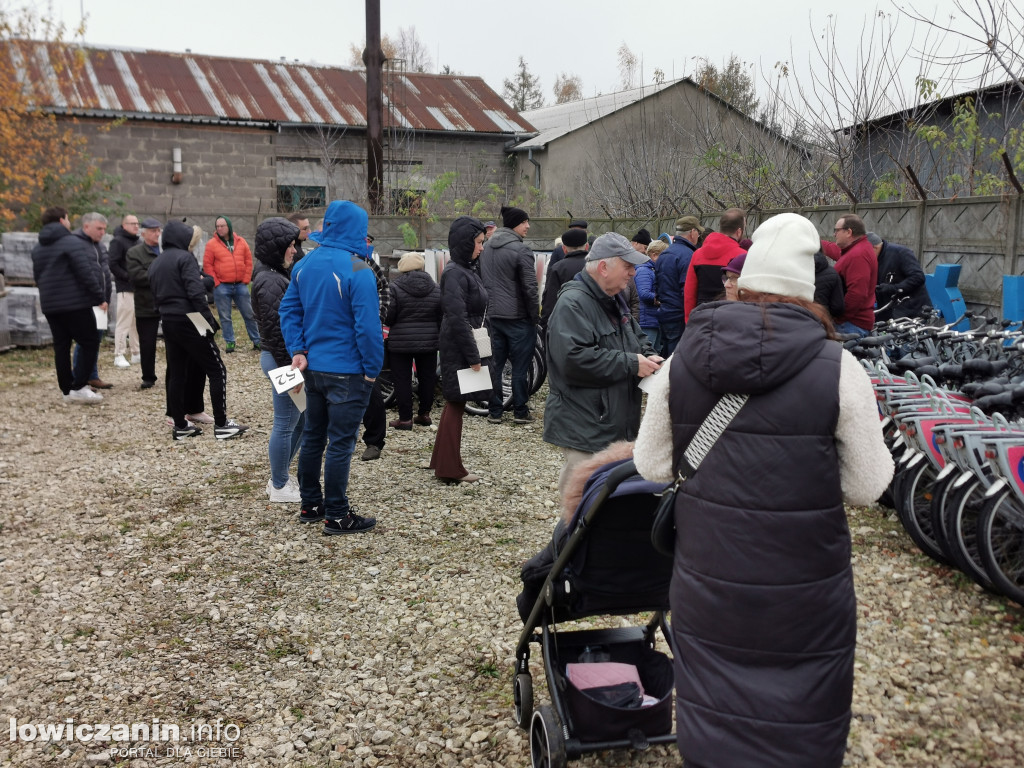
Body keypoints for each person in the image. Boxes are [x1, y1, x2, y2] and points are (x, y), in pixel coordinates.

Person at [633, 212, 893, 768]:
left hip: (711, 581)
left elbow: (652, 465)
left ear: (744, 281)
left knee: (713, 712)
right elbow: (870, 485)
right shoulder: (840, 369)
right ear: (809, 288)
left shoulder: (682, 361)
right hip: (805, 591)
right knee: (805, 719)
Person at [279, 200, 382, 535]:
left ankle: (311, 504)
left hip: (313, 369)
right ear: (357, 229)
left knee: (313, 436)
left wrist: (298, 349)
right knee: (341, 442)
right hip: (349, 370)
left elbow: (289, 311)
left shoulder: (304, 265)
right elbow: (367, 328)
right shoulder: (358, 269)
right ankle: (337, 515)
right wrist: (372, 369)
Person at [544, 232, 662, 497]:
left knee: (605, 502)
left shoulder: (612, 298)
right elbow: (572, 360)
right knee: (581, 499)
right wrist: (632, 364)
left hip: (609, 420)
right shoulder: (573, 303)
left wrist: (649, 356)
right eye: (628, 265)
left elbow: (635, 336)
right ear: (603, 267)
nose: (633, 272)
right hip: (586, 423)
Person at [149, 219, 248, 441]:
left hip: (168, 320)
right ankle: (222, 425)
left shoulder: (157, 261)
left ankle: (180, 425)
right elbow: (195, 294)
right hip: (191, 318)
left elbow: (155, 294)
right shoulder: (185, 258)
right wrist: (209, 323)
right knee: (217, 369)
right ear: (182, 239)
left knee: (176, 373)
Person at [430, 216, 491, 484]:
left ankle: (442, 461)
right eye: (478, 243)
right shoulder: (455, 272)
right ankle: (449, 468)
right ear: (465, 243)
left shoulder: (465, 269)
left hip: (463, 342)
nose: (481, 248)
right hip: (459, 344)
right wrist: (473, 356)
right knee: (456, 403)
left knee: (456, 403)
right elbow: (457, 317)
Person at [252, 217, 305, 502]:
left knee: (301, 419)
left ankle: (280, 476)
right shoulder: (270, 280)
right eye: (290, 245)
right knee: (285, 422)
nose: (295, 250)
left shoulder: (272, 274)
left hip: (281, 359)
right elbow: (277, 329)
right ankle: (280, 485)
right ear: (276, 247)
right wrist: (292, 369)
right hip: (282, 359)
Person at [31, 206, 105, 404]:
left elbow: (38, 276)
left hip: (50, 305)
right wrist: (99, 297)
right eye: (67, 218)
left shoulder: (38, 247)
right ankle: (79, 386)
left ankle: (66, 390)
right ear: (63, 220)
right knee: (89, 341)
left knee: (61, 346)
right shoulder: (71, 242)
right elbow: (85, 273)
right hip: (75, 303)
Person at [479, 205, 539, 424]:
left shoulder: (485, 247)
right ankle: (520, 411)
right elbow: (530, 288)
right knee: (520, 367)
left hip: (493, 317)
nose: (528, 226)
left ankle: (495, 411)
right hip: (518, 319)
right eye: (525, 222)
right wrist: (534, 316)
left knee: (495, 365)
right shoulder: (521, 250)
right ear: (516, 224)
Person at [385, 251, 441, 430]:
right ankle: (424, 414)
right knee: (427, 378)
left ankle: (405, 419)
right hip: (429, 341)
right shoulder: (435, 287)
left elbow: (389, 316)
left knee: (402, 379)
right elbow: (440, 314)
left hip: (400, 343)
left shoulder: (394, 288)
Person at [203, 215, 260, 353]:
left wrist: (246, 279)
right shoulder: (212, 244)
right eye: (217, 226)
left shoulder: (241, 242)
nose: (219, 229)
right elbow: (207, 265)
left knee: (249, 314)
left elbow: (248, 261)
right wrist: (216, 283)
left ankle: (257, 341)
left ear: (228, 226)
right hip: (222, 286)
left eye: (222, 226)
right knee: (225, 316)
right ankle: (230, 342)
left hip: (240, 285)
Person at [71, 212, 113, 389]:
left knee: (96, 340)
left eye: (104, 229)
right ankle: (79, 377)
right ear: (86, 226)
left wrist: (106, 299)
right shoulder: (75, 244)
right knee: (84, 341)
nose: (102, 232)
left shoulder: (100, 246)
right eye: (99, 228)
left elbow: (104, 272)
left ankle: (92, 375)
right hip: (85, 302)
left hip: (102, 302)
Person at [357, 235, 390, 461]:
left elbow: (384, 289)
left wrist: (376, 318)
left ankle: (374, 441)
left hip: (364, 335)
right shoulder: (322, 259)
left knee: (371, 386)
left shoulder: (367, 263)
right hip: (334, 339)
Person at [683, 208, 747, 322]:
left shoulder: (697, 254)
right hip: (731, 318)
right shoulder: (743, 256)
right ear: (738, 231)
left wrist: (689, 322)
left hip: (701, 318)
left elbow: (689, 293)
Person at [820, 213, 877, 337]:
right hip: (851, 323)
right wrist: (814, 241)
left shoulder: (858, 255)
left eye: (837, 230)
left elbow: (857, 293)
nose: (835, 234)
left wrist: (839, 318)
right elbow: (835, 251)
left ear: (848, 232)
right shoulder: (856, 250)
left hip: (850, 325)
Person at [656, 215, 702, 356]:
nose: (699, 236)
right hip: (679, 316)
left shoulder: (664, 254)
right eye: (698, 233)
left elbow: (657, 285)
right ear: (692, 232)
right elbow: (687, 291)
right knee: (677, 359)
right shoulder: (688, 255)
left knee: (666, 354)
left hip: (664, 313)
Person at [126, 218, 163, 390]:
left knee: (174, 341)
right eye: (153, 230)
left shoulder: (165, 250)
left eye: (158, 230)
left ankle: (175, 373)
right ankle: (148, 376)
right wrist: (162, 273)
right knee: (147, 343)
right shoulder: (135, 252)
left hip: (166, 302)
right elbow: (137, 277)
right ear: (144, 233)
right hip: (146, 304)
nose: (157, 234)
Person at [866, 232, 928, 320]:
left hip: (910, 309)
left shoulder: (900, 253)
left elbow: (918, 277)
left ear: (874, 248)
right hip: (886, 309)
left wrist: (893, 288)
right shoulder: (875, 259)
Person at [108, 213, 141, 368]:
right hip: (125, 288)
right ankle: (119, 354)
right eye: (132, 223)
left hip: (138, 288)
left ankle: (136, 352)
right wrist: (127, 277)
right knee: (124, 322)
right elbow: (113, 264)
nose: (136, 226)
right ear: (124, 225)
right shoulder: (118, 241)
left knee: (136, 321)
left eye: (137, 223)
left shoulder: (138, 241)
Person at [540, 228, 589, 329]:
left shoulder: (557, 268)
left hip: (565, 325)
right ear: (587, 247)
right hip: (593, 323)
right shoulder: (596, 267)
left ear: (564, 249)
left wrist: (545, 325)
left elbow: (550, 301)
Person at [636, 239, 667, 350]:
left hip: (654, 319)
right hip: (647, 321)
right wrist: (660, 299)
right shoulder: (644, 270)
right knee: (649, 351)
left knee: (656, 351)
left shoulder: (652, 270)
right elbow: (643, 293)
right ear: (654, 255)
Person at [814, 250, 845, 321]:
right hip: (823, 321)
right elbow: (838, 307)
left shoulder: (793, 272)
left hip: (797, 319)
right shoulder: (832, 273)